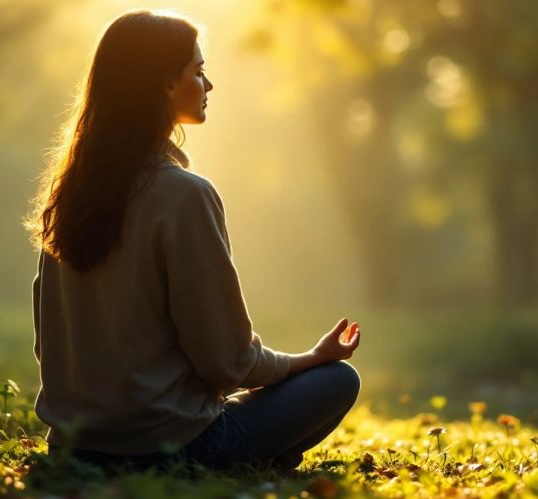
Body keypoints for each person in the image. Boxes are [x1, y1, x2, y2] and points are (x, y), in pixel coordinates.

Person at [25, 9, 362, 472]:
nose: (208, 85)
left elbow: (49, 345)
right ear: (166, 84)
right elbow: (228, 361)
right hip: (170, 449)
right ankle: (245, 464)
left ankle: (256, 460)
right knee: (337, 381)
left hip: (72, 449)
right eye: (198, 72)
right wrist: (311, 358)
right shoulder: (185, 195)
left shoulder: (68, 196)